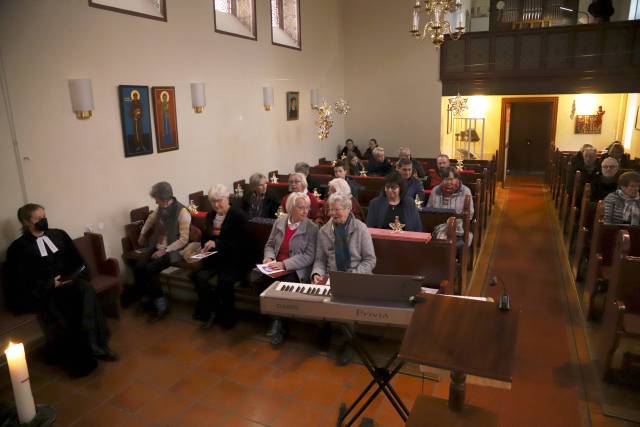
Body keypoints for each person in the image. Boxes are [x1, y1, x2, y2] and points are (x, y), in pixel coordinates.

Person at [6, 204, 117, 377]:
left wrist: (72, 276)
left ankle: (93, 344)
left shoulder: (58, 235)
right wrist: (51, 283)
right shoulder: (18, 248)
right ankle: (93, 346)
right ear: (27, 222)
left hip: (70, 284)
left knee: (84, 288)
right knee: (77, 301)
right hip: (46, 293)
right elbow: (21, 282)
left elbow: (77, 261)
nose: (44, 220)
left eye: (44, 216)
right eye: (39, 218)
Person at [312, 193, 376, 365]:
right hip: (332, 276)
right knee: (318, 296)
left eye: (337, 210)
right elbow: (319, 260)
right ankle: (324, 330)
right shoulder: (324, 231)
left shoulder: (360, 228)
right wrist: (317, 274)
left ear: (348, 209)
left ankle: (349, 342)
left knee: (348, 305)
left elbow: (370, 260)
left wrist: (352, 276)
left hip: (356, 275)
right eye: (330, 209)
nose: (333, 213)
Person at [253, 192, 318, 346]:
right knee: (258, 281)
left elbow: (309, 256)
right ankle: (278, 323)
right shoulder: (280, 222)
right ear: (290, 208)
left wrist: (284, 264)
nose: (305, 211)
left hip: (296, 269)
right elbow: (269, 244)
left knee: (283, 288)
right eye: (301, 208)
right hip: (275, 265)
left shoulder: (312, 228)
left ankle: (278, 325)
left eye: (307, 208)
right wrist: (268, 258)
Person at [191, 185, 249, 329]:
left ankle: (228, 316)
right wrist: (204, 247)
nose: (216, 205)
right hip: (215, 258)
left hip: (235, 260)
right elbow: (206, 237)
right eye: (213, 202)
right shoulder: (211, 215)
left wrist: (218, 244)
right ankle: (211, 310)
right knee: (198, 276)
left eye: (219, 201)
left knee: (224, 281)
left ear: (227, 198)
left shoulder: (238, 215)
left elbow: (242, 244)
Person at [135, 182, 190, 322]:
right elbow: (150, 219)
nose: (155, 201)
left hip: (174, 249)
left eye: (157, 198)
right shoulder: (160, 208)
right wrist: (142, 233)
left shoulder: (182, 212)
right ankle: (148, 298)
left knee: (150, 269)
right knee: (139, 266)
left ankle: (162, 306)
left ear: (164, 198)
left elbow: (184, 240)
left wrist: (165, 250)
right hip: (158, 246)